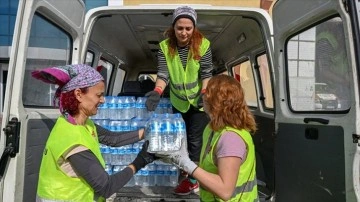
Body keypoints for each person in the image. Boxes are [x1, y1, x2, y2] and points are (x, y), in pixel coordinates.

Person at [32, 64, 156, 202]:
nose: (103, 100)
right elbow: (106, 187)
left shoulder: (80, 123)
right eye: (99, 95)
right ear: (78, 94)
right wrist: (140, 161)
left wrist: (148, 132)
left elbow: (112, 138)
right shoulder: (72, 139)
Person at [145, 5, 213, 195]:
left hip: (198, 103)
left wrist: (205, 93)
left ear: (194, 28)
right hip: (178, 102)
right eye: (179, 28)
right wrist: (157, 91)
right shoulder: (165, 47)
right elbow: (164, 74)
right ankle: (184, 173)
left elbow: (207, 73)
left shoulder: (204, 45)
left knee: (195, 142)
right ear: (173, 28)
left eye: (188, 28)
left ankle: (193, 180)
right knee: (179, 140)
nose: (184, 33)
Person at [157, 75, 258, 201]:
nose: (202, 96)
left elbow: (225, 190)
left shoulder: (231, 139)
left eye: (206, 92)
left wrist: (186, 164)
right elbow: (208, 167)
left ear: (215, 102)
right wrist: (176, 158)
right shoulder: (211, 129)